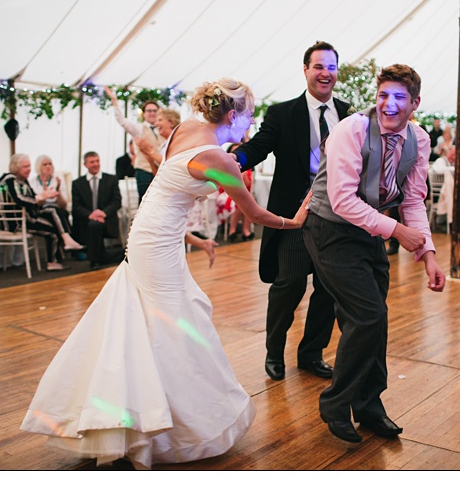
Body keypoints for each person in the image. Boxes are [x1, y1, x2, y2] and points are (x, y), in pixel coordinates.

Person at [21, 78, 309, 469]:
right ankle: (165, 424)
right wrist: (296, 220)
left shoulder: (184, 129)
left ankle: (137, 412)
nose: (252, 124)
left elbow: (165, 185)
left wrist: (190, 236)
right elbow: (255, 214)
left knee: (148, 321)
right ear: (231, 114)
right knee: (174, 323)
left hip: (150, 235)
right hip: (157, 243)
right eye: (249, 115)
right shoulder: (219, 159)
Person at [304, 63, 446, 443]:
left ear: (415, 103)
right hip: (330, 228)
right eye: (383, 95)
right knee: (369, 315)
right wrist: (397, 231)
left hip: (370, 231)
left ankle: (369, 407)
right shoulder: (350, 130)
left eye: (399, 97)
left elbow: (413, 200)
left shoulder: (418, 139)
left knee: (371, 321)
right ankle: (336, 403)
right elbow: (343, 200)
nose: (389, 104)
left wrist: (428, 254)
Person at [231, 41, 349, 382]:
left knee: (328, 290)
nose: (325, 73)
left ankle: (311, 354)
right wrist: (233, 159)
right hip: (295, 217)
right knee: (290, 284)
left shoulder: (348, 113)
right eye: (318, 67)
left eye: (331, 67)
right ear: (305, 70)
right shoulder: (282, 113)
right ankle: (274, 351)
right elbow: (260, 146)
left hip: (336, 218)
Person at [0, 153, 84, 271]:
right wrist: (40, 197)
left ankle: (65, 241)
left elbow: (34, 199)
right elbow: (20, 199)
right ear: (16, 167)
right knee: (53, 228)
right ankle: (58, 253)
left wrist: (45, 196)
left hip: (27, 216)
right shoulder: (10, 180)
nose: (29, 169)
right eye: (25, 167)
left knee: (55, 211)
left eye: (29, 166)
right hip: (16, 222)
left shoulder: (22, 181)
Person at [106, 88, 163, 203]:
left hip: (160, 171)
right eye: (149, 111)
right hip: (144, 171)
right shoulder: (139, 129)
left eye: (154, 110)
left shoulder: (161, 130)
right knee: (145, 202)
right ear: (144, 114)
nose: (152, 113)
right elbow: (122, 121)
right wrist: (114, 101)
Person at [71, 152, 122, 269]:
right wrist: (90, 215)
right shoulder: (77, 183)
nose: (96, 164)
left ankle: (94, 260)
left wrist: (103, 213)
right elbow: (76, 206)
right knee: (93, 225)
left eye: (97, 161)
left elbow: (116, 202)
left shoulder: (111, 179)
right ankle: (100, 258)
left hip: (107, 219)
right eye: (92, 162)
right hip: (87, 222)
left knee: (95, 225)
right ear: (85, 164)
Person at [30, 155, 74, 242]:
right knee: (54, 212)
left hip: (58, 210)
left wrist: (58, 191)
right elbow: (36, 204)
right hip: (42, 210)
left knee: (61, 213)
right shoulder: (33, 182)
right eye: (45, 164)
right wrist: (45, 195)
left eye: (50, 164)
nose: (48, 166)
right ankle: (68, 240)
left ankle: (67, 244)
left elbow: (64, 205)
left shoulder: (58, 179)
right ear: (39, 167)